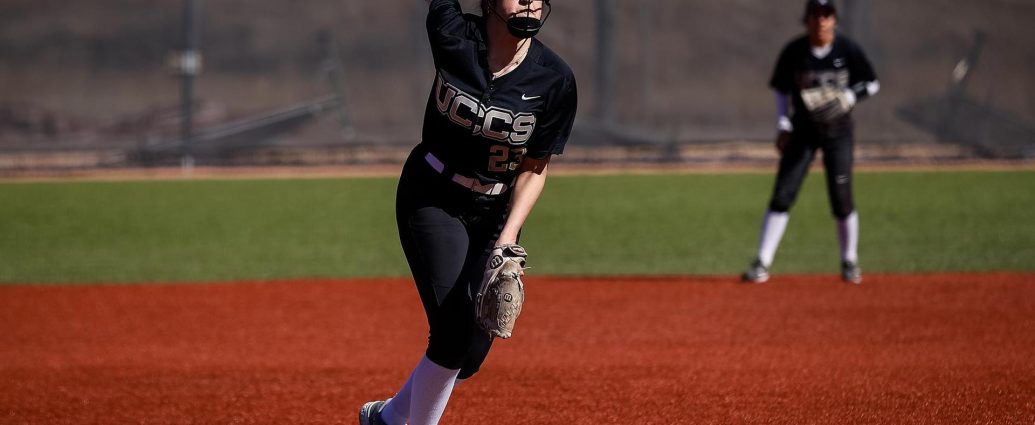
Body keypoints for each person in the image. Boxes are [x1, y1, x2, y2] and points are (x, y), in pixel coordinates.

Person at [359, 0, 576, 424]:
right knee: (453, 334)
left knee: (471, 354)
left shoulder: (554, 79)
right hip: (433, 195)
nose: (530, 1)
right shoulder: (453, 34)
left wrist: (509, 237)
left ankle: (387, 419)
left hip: (494, 211)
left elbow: (535, 168)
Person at [742, 0, 879, 284]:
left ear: (835, 20)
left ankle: (849, 261)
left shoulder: (847, 50)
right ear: (806, 19)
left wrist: (852, 96)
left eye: (826, 15)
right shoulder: (795, 52)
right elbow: (781, 89)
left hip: (838, 131)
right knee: (783, 194)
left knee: (841, 199)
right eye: (815, 15)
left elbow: (872, 82)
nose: (821, 21)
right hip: (802, 130)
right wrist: (782, 123)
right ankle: (762, 262)